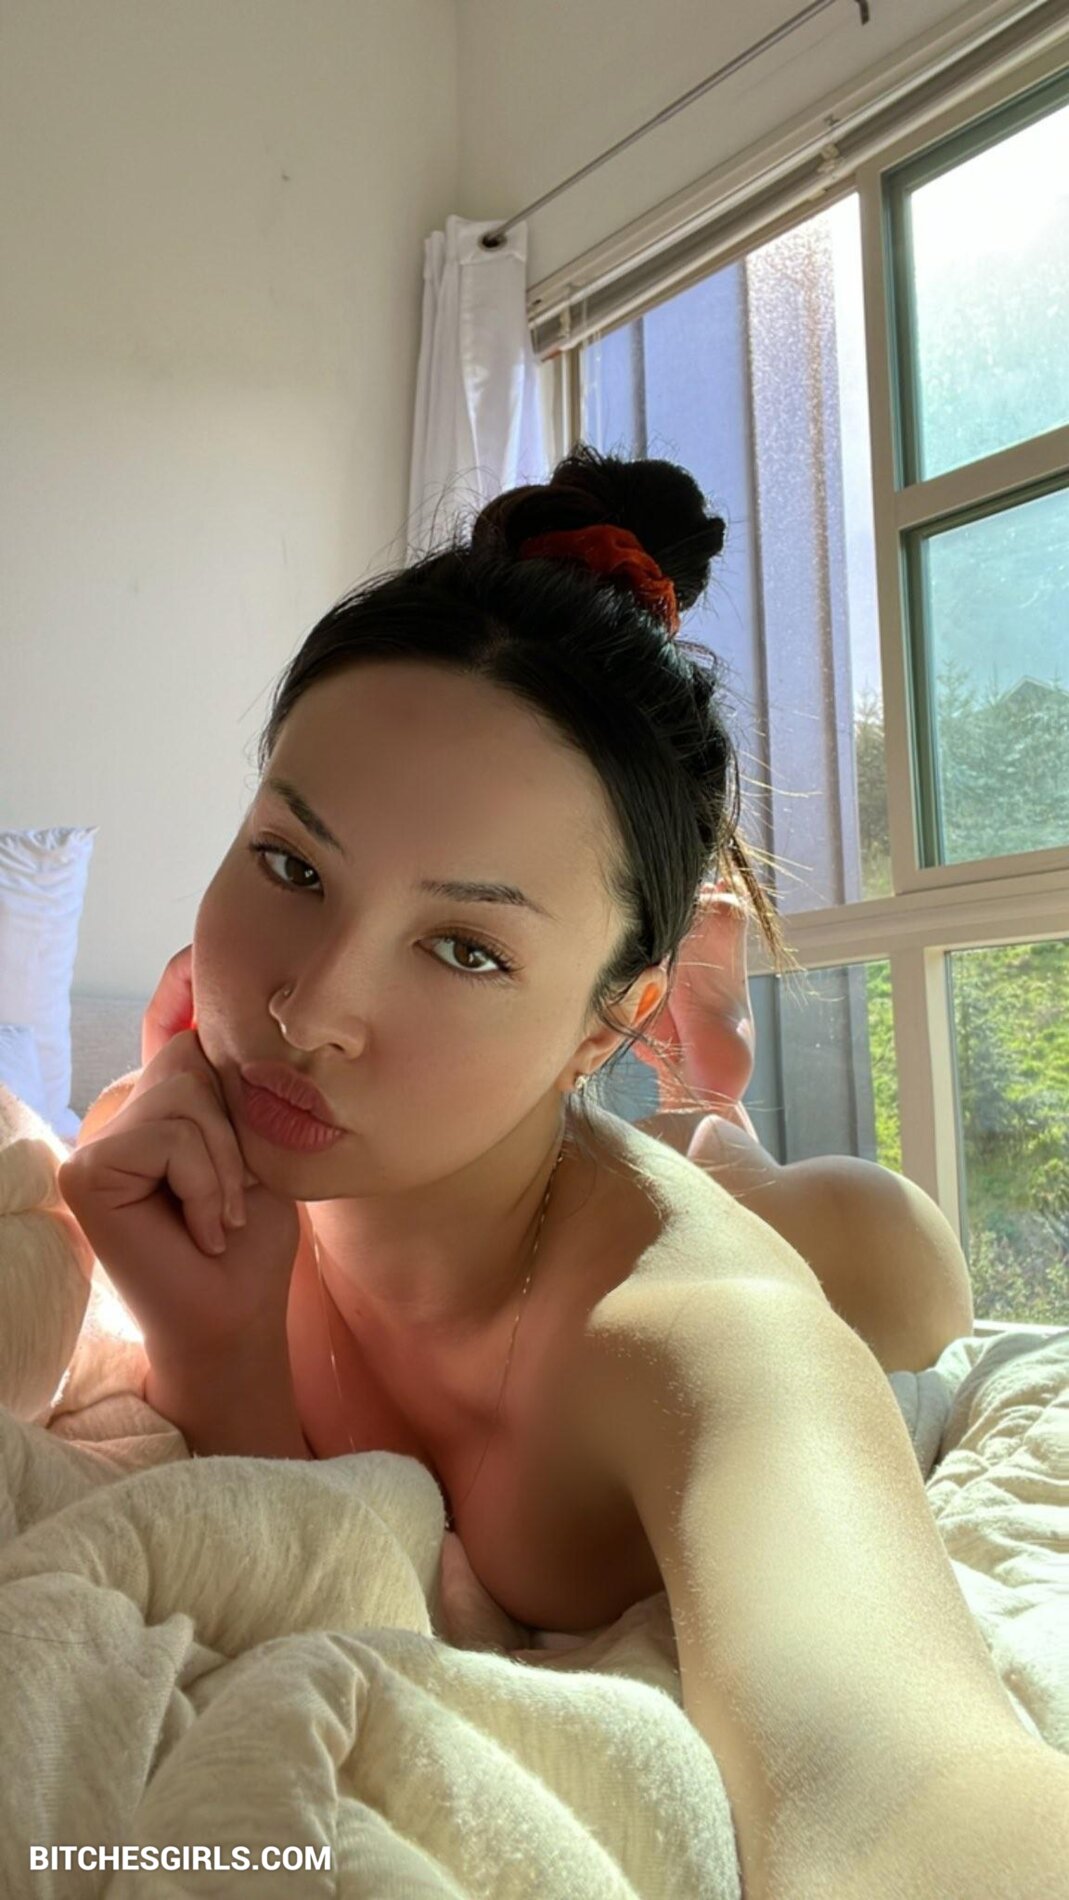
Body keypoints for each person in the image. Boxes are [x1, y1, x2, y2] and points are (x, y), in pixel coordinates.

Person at [58, 448, 1068, 1898]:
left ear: (606, 1022)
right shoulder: (182, 1130)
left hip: (850, 1243)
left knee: (789, 1196)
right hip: (545, 1157)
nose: (309, 1011)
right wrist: (214, 1344)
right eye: (292, 866)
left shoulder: (700, 1329)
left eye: (465, 948)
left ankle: (717, 1118)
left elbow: (906, 1785)